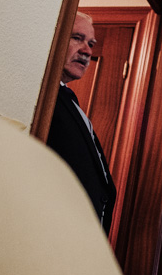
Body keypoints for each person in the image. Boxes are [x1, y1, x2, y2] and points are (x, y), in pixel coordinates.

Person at [46, 12, 116, 236]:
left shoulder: (67, 99)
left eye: (91, 44)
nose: (87, 51)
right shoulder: (44, 95)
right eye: (77, 38)